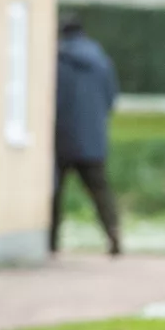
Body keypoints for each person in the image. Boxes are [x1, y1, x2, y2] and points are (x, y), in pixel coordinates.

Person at [52, 15, 123, 256]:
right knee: (100, 191)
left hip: (60, 137)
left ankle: (50, 241)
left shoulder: (57, 61)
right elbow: (111, 99)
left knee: (54, 192)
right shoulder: (101, 62)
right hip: (93, 138)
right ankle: (113, 233)